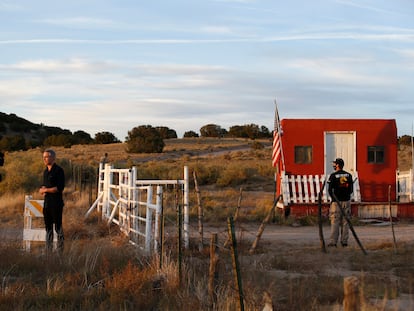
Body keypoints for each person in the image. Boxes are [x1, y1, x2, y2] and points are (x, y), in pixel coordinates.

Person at [39, 149, 65, 253]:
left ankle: (60, 251)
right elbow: (45, 185)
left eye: (47, 157)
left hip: (56, 203)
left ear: (53, 158)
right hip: (47, 203)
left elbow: (59, 188)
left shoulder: (59, 171)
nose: (45, 159)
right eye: (44, 157)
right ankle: (48, 250)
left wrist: (46, 190)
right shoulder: (45, 172)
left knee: (58, 227)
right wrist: (42, 189)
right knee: (48, 228)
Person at [327, 158, 353, 247]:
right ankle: (344, 241)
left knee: (335, 221)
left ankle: (333, 242)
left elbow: (330, 190)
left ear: (337, 165)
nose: (333, 165)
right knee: (346, 222)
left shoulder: (333, 176)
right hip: (346, 201)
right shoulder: (349, 175)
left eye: (334, 164)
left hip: (336, 202)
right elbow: (351, 190)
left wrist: (334, 198)